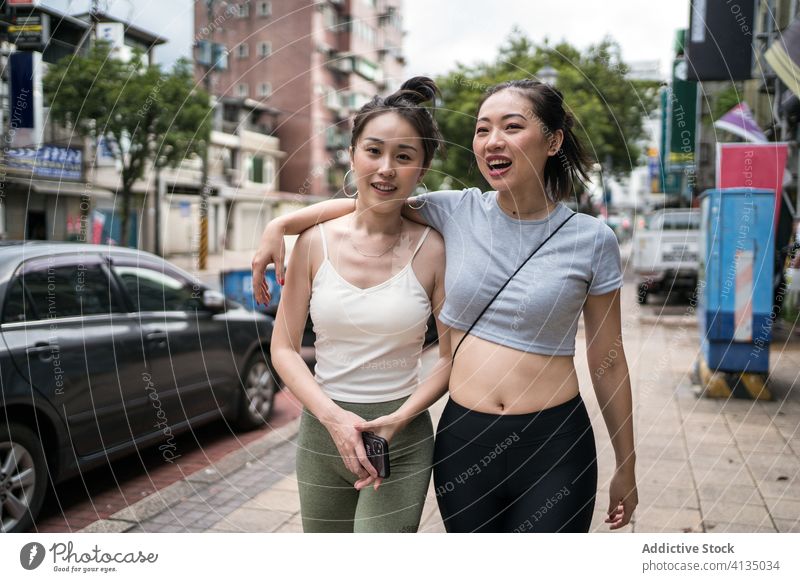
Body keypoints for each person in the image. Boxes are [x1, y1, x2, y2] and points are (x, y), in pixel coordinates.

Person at [255, 79, 638, 533]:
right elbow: (375, 200)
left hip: (553, 441)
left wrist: (626, 464)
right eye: (482, 129)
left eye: (512, 126)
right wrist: (280, 223)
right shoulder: (456, 211)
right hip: (466, 441)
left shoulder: (593, 241)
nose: (492, 140)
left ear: (552, 140)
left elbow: (608, 361)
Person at [269, 77, 451, 533]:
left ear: (422, 169)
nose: (386, 168)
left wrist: (400, 418)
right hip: (320, 435)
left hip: (401, 437)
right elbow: (285, 349)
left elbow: (452, 358)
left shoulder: (434, 250)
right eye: (374, 151)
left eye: (404, 156)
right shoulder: (313, 243)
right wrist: (331, 417)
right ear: (352, 155)